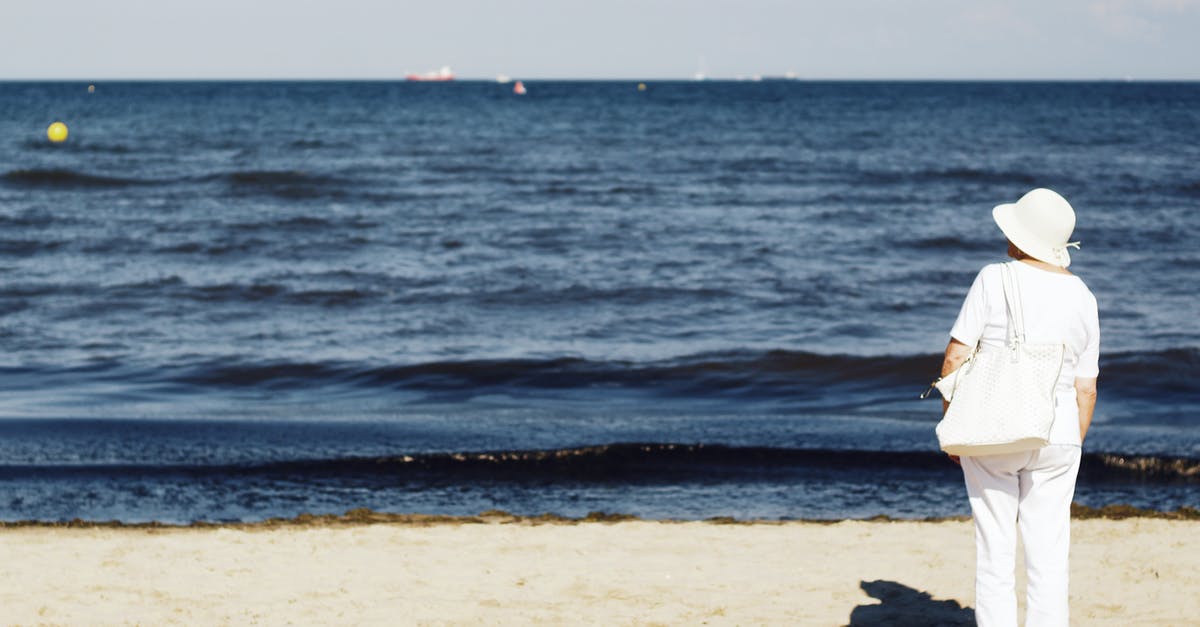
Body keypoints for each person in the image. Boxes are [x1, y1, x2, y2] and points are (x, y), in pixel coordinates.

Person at [939, 188, 1100, 627]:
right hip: (1060, 434)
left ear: (1020, 237)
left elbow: (955, 357)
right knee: (1049, 556)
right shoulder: (1084, 295)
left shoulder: (994, 277)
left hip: (994, 429)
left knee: (995, 551)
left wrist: (954, 422)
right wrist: (1071, 442)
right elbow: (1086, 387)